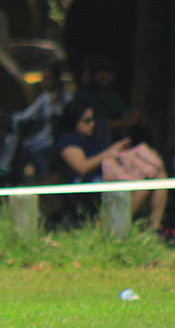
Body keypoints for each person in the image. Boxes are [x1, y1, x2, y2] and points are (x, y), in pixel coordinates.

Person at [55, 98, 167, 230]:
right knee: (141, 186)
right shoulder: (67, 140)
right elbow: (81, 167)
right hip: (88, 183)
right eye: (86, 121)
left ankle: (155, 227)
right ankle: (113, 228)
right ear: (73, 120)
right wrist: (109, 152)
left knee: (160, 176)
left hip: (110, 175)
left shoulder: (92, 137)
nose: (92, 124)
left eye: (93, 119)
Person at [8, 63, 70, 181]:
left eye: (49, 79)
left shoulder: (66, 98)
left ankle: (45, 180)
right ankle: (16, 179)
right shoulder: (44, 98)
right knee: (24, 147)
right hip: (42, 137)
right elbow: (27, 114)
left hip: (57, 138)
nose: (45, 82)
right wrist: (10, 116)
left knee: (38, 152)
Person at [73, 56, 147, 146]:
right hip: (95, 141)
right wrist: (126, 123)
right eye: (100, 73)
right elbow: (98, 124)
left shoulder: (112, 95)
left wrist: (136, 116)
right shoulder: (84, 95)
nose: (105, 77)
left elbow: (124, 114)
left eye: (109, 73)